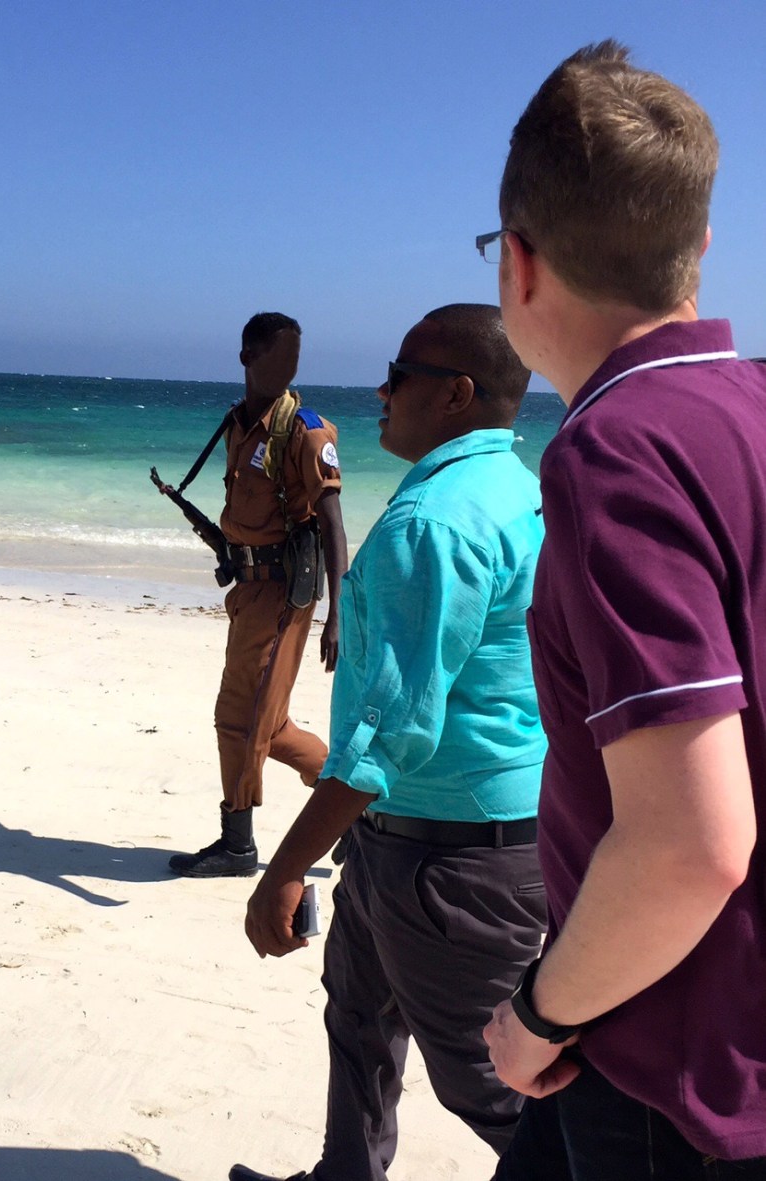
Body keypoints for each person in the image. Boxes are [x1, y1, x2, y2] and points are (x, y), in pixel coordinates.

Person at [480, 40, 766, 1179]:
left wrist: (538, 1014)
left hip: (667, 1060)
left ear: (517, 264)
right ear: (698, 246)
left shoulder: (615, 451)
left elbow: (691, 842)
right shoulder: (749, 408)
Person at [233, 303, 548, 1181]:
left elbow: (389, 736)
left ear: (454, 393)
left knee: (491, 1082)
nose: (380, 390)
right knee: (357, 1020)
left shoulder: (434, 522)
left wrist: (284, 866)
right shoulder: (515, 485)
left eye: (399, 374)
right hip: (427, 834)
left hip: (450, 859)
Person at [169, 312, 348, 878]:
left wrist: (339, 614)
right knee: (262, 724)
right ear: (247, 357)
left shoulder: (306, 431)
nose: (290, 368)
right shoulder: (238, 424)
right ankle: (360, 804)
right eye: (279, 356)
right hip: (247, 593)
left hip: (283, 597)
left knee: (245, 720)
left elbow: (333, 526)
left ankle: (238, 844)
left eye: (296, 357)